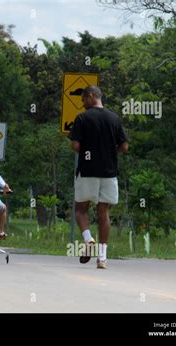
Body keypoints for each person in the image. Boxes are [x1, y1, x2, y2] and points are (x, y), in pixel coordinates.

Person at [69, 85, 129, 269]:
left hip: (87, 171)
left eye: (83, 100)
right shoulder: (115, 118)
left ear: (91, 96)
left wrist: (89, 151)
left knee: (80, 209)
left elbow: (75, 146)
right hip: (109, 173)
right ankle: (102, 258)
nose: (82, 104)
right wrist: (110, 153)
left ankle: (88, 239)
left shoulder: (82, 118)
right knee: (104, 212)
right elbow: (124, 147)